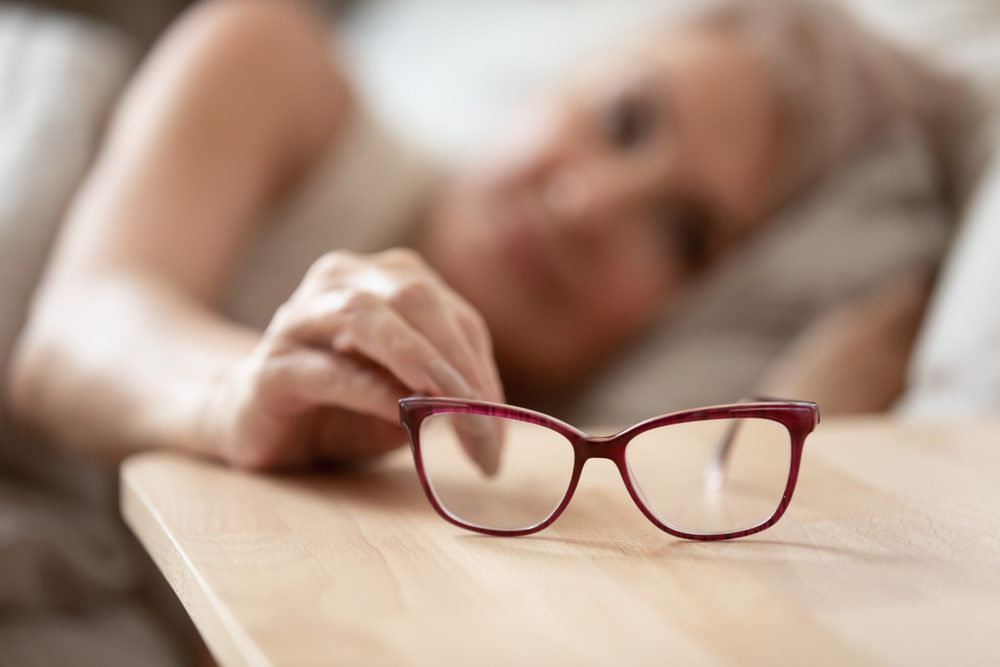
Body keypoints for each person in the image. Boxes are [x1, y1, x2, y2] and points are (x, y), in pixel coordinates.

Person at [6, 0, 950, 475]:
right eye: (623, 120)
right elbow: (80, 331)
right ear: (561, 83)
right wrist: (243, 394)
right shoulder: (274, 63)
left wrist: (821, 407)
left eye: (682, 233)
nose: (585, 205)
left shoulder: (549, 462)